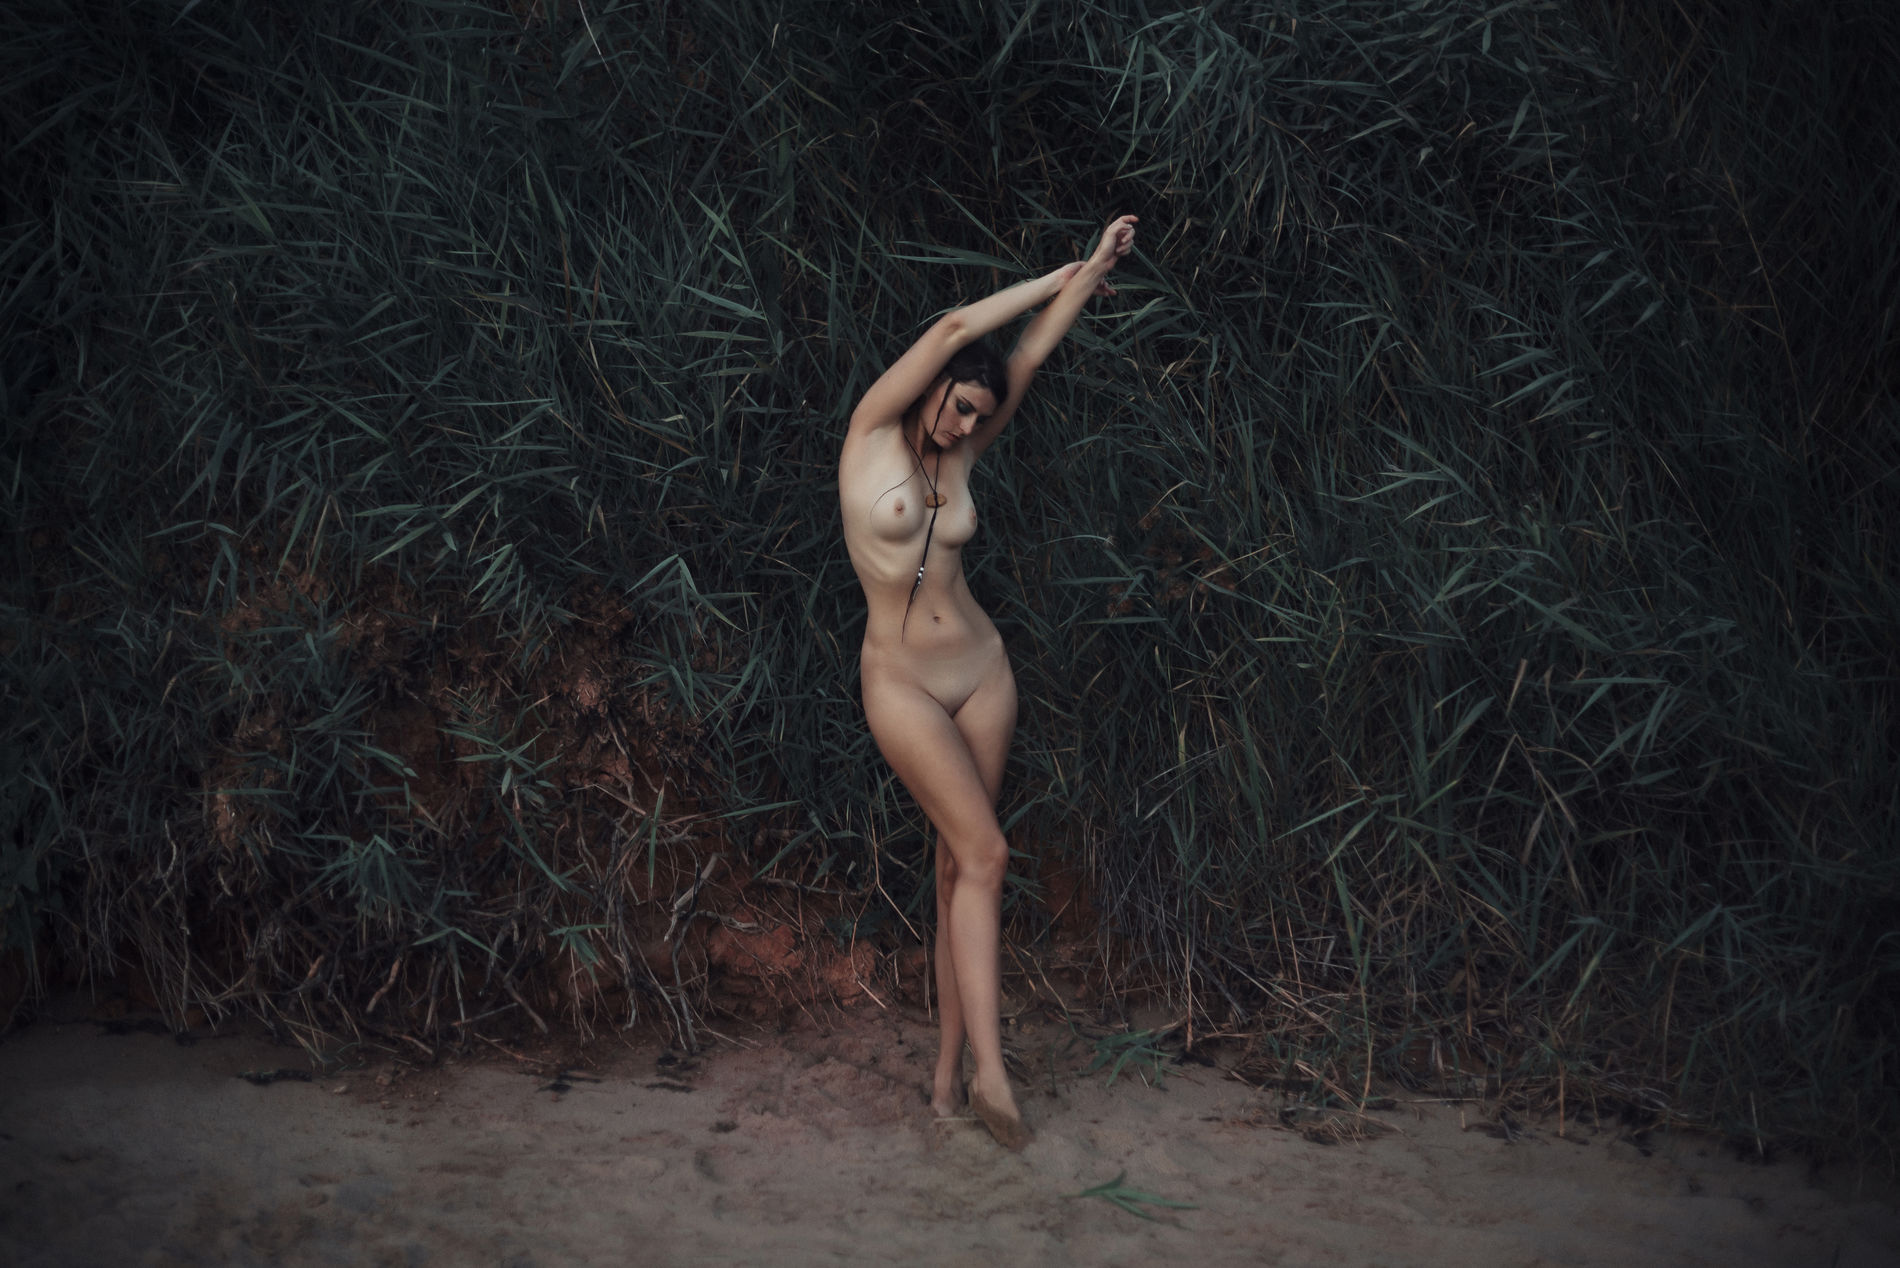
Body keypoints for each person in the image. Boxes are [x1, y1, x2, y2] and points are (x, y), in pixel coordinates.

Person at [838, 215, 1139, 1150]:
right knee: (990, 854)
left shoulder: (963, 449)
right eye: (960, 406)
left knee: (959, 866)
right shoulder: (869, 438)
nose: (967, 425)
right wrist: (1050, 277)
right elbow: (956, 327)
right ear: (933, 385)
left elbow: (1030, 357)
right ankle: (992, 1074)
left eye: (978, 415)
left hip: (981, 673)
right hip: (902, 683)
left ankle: (945, 1080)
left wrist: (1091, 274)